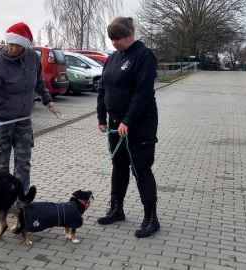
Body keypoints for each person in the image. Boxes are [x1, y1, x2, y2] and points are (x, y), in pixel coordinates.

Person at [96, 17, 160, 238]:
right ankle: (116, 208)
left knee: (141, 168)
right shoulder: (112, 58)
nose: (114, 43)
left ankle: (151, 217)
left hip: (140, 123)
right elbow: (103, 88)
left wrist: (128, 120)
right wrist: (101, 118)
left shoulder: (144, 56)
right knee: (119, 165)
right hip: (115, 123)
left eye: (118, 39)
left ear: (131, 34)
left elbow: (143, 92)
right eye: (111, 39)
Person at [0, 22, 55, 199]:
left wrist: (46, 99)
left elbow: (39, 80)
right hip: (1, 119)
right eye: (10, 44)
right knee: (1, 163)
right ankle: (1, 198)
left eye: (17, 46)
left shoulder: (32, 57)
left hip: (23, 119)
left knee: (23, 161)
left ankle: (22, 197)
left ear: (25, 46)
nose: (12, 48)